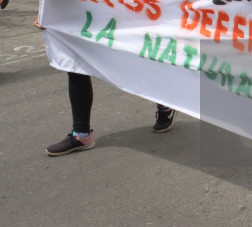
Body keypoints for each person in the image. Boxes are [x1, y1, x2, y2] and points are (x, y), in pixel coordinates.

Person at [36, 18, 178, 156]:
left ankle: (165, 105)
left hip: (111, 6)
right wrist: (47, 13)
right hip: (75, 12)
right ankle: (81, 134)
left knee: (131, 54)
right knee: (75, 66)